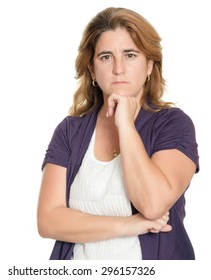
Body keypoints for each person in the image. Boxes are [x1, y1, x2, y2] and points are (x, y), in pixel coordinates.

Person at [37, 7, 199, 260]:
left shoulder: (173, 124)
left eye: (130, 55)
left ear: (149, 66)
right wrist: (127, 225)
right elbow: (48, 221)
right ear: (91, 70)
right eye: (105, 57)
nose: (119, 69)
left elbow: (153, 203)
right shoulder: (70, 131)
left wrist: (125, 124)